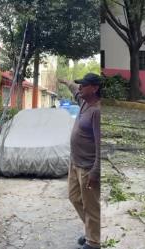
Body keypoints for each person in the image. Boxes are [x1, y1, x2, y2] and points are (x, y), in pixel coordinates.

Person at [59, 73, 101, 249]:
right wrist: (66, 81)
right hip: (75, 163)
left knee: (91, 206)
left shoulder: (97, 111)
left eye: (84, 85)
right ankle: (93, 231)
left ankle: (94, 242)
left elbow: (101, 146)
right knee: (74, 197)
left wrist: (95, 171)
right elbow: (75, 90)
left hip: (87, 168)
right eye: (80, 85)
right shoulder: (84, 101)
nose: (80, 88)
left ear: (95, 88)